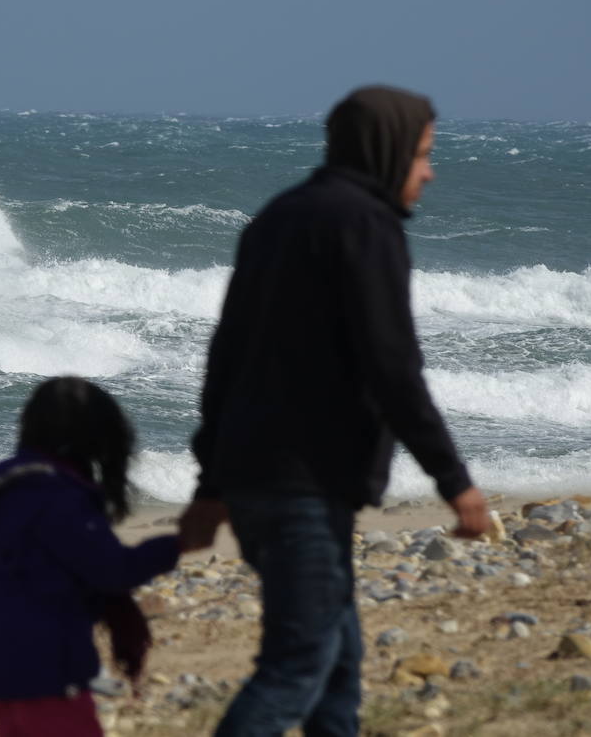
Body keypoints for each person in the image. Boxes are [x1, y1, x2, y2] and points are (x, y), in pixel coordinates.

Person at [179, 85, 491, 737]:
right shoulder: (364, 228)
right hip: (304, 489)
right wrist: (455, 482)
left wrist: (213, 486)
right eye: (423, 155)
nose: (430, 172)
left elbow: (226, 362)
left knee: (338, 670)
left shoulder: (277, 218)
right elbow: (393, 370)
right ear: (388, 151)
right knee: (297, 668)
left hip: (259, 482)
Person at [0, 376, 198, 737]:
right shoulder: (60, 495)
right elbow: (112, 571)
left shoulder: (4, 484)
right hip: (46, 662)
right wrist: (176, 544)